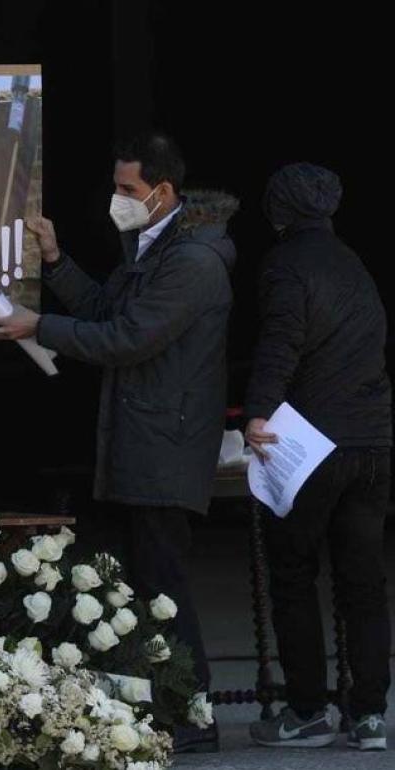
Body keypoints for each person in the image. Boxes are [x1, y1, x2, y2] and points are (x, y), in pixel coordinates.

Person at [0, 133, 236, 753]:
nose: (118, 199)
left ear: (163, 191)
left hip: (166, 445)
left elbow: (128, 336)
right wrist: (55, 261)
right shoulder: (154, 245)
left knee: (164, 585)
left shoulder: (193, 262)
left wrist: (37, 324)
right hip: (142, 441)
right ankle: (158, 710)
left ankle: (194, 717)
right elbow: (104, 307)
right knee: (138, 586)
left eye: (127, 189)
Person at [244, 163, 391, 752]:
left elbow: (283, 338)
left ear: (280, 210)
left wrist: (258, 410)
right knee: (363, 582)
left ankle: (306, 711)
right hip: (374, 443)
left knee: (293, 572)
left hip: (315, 447)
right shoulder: (355, 266)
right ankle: (370, 716)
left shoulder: (286, 265)